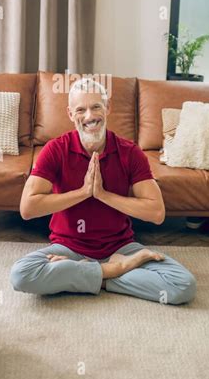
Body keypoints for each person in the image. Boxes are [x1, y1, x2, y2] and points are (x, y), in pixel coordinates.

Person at [10, 77, 197, 305]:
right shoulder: (55, 150)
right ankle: (113, 271)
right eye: (81, 109)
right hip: (68, 248)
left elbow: (156, 213)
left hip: (121, 247)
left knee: (182, 285)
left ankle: (91, 274)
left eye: (96, 107)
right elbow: (27, 208)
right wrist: (84, 192)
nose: (89, 116)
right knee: (21, 274)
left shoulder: (130, 153)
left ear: (108, 108)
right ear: (70, 114)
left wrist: (103, 195)